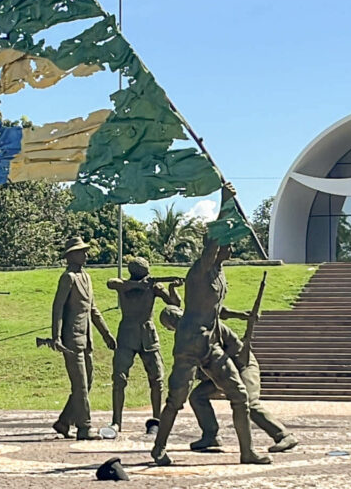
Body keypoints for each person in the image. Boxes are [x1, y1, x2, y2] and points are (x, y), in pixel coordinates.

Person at [150, 183, 271, 466]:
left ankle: (247, 452)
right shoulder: (201, 268)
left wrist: (242, 317)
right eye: (226, 241)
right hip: (190, 343)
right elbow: (214, 239)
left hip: (211, 343)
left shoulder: (219, 273)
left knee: (239, 395)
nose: (230, 245)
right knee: (176, 399)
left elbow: (217, 310)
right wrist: (225, 200)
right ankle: (158, 449)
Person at [159, 305, 298, 454]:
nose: (178, 322)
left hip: (242, 366)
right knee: (197, 397)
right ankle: (210, 435)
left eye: (177, 317)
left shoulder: (211, 326)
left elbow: (235, 347)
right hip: (220, 374)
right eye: (173, 322)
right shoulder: (185, 340)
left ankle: (283, 435)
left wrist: (220, 366)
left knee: (248, 402)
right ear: (171, 328)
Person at [49, 236, 116, 441]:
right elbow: (58, 308)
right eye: (82, 251)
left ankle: (63, 422)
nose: (86, 254)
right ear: (71, 256)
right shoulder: (67, 277)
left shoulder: (86, 277)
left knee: (88, 382)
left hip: (86, 339)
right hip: (71, 340)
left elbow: (93, 310)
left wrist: (106, 334)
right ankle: (84, 427)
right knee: (79, 385)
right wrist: (56, 336)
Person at [106, 257, 181, 433]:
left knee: (157, 378)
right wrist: (140, 285)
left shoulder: (154, 286)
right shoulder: (123, 284)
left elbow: (175, 305)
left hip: (148, 335)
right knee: (119, 378)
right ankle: (116, 421)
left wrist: (171, 288)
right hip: (127, 336)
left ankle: (157, 420)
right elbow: (111, 283)